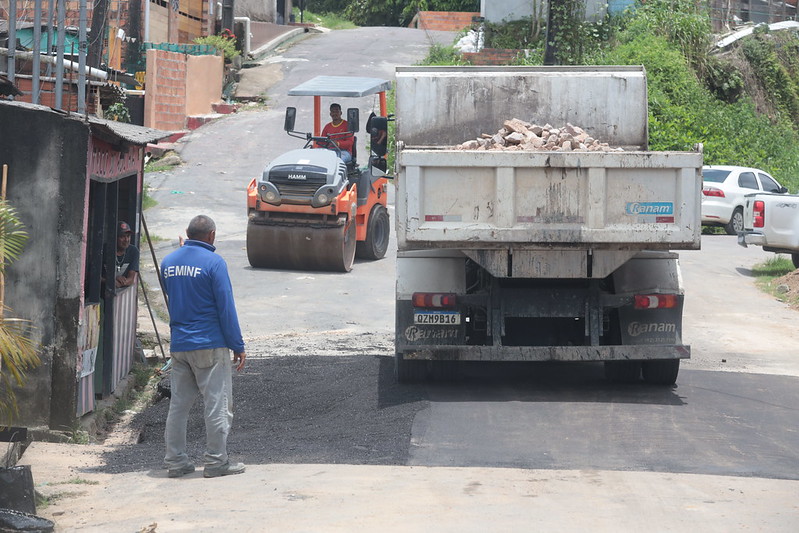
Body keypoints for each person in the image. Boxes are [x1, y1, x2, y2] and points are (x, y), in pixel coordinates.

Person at [160, 215, 247, 479]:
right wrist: (238, 345)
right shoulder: (214, 263)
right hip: (210, 344)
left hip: (180, 345)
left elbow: (171, 296)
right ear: (211, 236)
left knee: (179, 406)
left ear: (187, 234)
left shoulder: (168, 262)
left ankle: (175, 462)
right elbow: (225, 307)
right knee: (217, 405)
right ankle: (216, 461)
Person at [115, 221, 139, 289]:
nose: (126, 240)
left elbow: (131, 279)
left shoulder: (133, 251)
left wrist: (121, 283)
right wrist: (111, 281)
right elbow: (95, 276)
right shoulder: (104, 250)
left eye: (128, 236)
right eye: (122, 236)